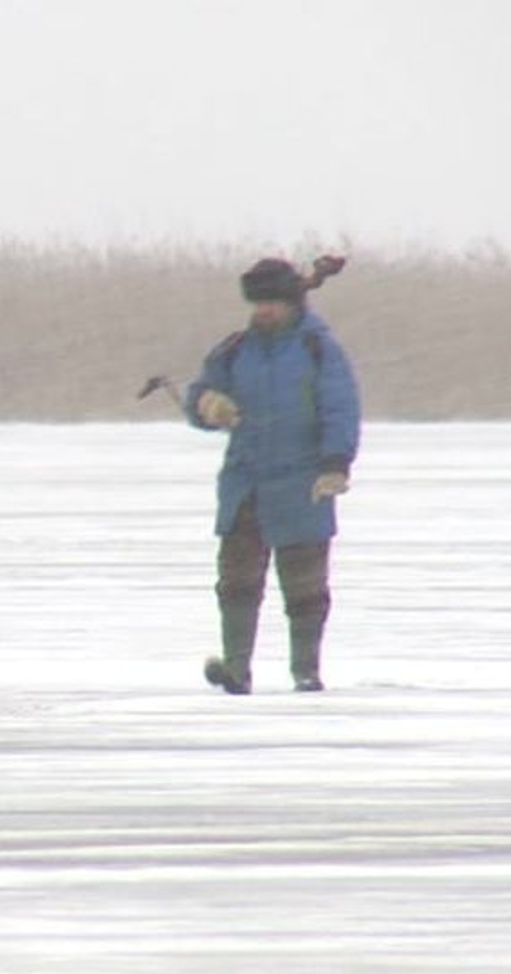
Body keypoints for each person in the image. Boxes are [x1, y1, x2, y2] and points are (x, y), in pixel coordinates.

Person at [184, 257, 362, 694]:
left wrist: (336, 465)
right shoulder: (234, 350)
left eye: (273, 302)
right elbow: (199, 395)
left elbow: (341, 408)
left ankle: (306, 671)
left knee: (305, 586)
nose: (264, 310)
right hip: (246, 483)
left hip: (303, 483)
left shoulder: (319, 350)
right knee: (236, 581)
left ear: (293, 303)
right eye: (258, 302)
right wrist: (208, 405)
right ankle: (236, 670)